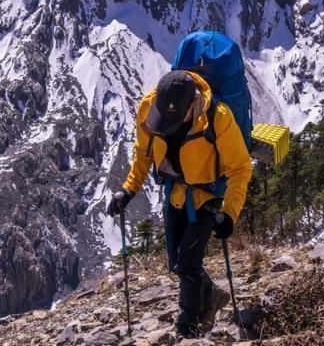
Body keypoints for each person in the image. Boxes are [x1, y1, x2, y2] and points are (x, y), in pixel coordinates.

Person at [107, 69, 252, 338]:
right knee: (177, 262)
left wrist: (229, 213)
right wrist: (128, 190)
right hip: (175, 193)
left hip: (207, 195)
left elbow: (240, 169)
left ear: (191, 106)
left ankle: (189, 326)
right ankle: (211, 294)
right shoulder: (150, 108)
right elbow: (143, 154)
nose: (166, 125)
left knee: (187, 262)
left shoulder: (217, 118)